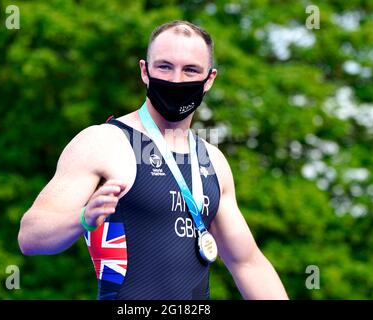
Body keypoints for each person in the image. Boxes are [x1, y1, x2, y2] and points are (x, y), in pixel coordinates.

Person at [18, 20, 289, 300]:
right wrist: (83, 219)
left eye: (190, 70)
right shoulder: (104, 142)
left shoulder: (213, 161)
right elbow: (30, 236)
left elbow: (248, 264)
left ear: (209, 79)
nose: (175, 80)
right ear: (145, 72)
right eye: (165, 67)